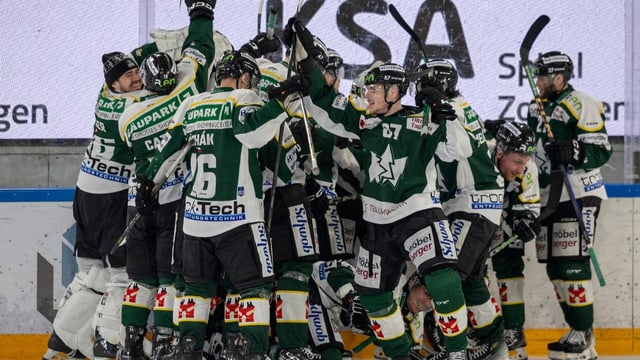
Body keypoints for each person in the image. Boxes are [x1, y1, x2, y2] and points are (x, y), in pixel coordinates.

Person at [283, 18, 472, 360]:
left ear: (395, 92)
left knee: (442, 279)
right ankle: (402, 354)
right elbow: (326, 103)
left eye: (373, 88)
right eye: (366, 88)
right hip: (378, 225)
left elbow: (460, 151)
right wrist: (307, 54)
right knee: (373, 296)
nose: (366, 93)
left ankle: (458, 352)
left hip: (418, 215)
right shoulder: (364, 123)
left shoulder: (422, 120)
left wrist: (444, 111)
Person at [138, 48, 309, 359]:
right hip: (238, 218)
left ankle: (188, 350)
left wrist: (148, 184)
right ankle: (253, 352)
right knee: (254, 288)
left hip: (194, 220)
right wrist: (281, 107)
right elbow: (254, 137)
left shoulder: (190, 105)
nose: (253, 86)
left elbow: (168, 154)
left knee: (196, 289)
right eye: (251, 80)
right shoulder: (244, 100)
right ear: (243, 76)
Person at [42, 45, 160, 360]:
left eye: (136, 71)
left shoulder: (104, 96)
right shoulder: (135, 104)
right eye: (128, 75)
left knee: (90, 276)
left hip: (85, 192)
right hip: (109, 198)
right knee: (120, 277)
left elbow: (128, 60)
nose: (136, 78)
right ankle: (104, 349)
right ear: (114, 83)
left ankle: (64, 343)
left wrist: (148, 47)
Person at [116, 0, 217, 358]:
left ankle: (130, 346)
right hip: (173, 200)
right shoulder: (187, 92)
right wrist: (201, 13)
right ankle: (162, 344)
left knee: (139, 280)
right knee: (167, 280)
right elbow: (200, 49)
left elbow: (132, 151)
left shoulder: (127, 117)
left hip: (137, 202)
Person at [414, 60, 508, 360]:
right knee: (470, 281)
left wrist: (437, 102)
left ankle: (457, 346)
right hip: (477, 202)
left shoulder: (452, 108)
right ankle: (496, 345)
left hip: (472, 202)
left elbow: (460, 149)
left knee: (447, 274)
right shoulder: (457, 106)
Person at [527, 51, 612, 360]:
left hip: (579, 191)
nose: (537, 82)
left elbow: (601, 149)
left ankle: (585, 336)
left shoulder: (581, 103)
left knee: (572, 260)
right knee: (554, 263)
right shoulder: (537, 107)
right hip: (550, 195)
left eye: (542, 76)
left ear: (558, 78)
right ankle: (576, 329)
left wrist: (575, 152)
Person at [486, 121, 541, 360]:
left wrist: (526, 219)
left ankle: (514, 333)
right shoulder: (478, 156)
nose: (522, 168)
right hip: (476, 214)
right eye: (517, 161)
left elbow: (528, 207)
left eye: (525, 161)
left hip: (504, 212)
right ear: (499, 153)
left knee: (510, 266)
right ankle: (479, 333)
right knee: (472, 274)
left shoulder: (528, 168)